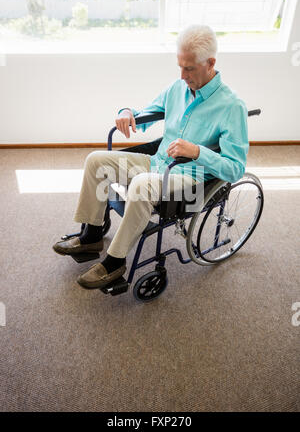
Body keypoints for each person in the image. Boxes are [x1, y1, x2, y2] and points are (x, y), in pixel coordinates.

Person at [53, 25, 249, 289]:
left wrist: (197, 151)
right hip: (157, 163)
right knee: (96, 161)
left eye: (189, 68)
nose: (182, 75)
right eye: (180, 66)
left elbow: (236, 169)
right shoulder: (177, 88)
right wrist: (126, 112)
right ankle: (92, 236)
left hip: (189, 181)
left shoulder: (231, 107)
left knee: (143, 184)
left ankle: (115, 263)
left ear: (210, 63)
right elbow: (146, 114)